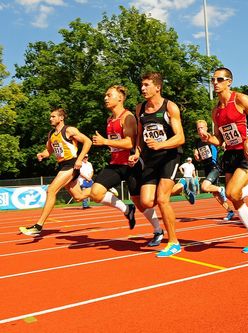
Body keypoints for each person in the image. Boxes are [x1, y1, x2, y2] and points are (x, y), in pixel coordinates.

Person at [199, 67, 248, 253]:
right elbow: (219, 139)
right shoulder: (216, 112)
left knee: (231, 192)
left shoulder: (240, 99)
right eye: (212, 80)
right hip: (230, 154)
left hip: (246, 152)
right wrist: (208, 139)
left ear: (229, 81)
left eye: (219, 79)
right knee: (235, 198)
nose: (215, 83)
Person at [90, 85, 164, 247]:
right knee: (95, 193)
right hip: (115, 164)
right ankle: (126, 210)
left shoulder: (128, 117)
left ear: (120, 98)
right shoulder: (110, 120)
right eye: (105, 95)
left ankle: (158, 230)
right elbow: (116, 144)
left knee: (142, 203)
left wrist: (105, 141)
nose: (105, 98)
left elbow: (130, 142)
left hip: (132, 165)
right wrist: (107, 143)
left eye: (109, 95)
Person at [129, 72, 184, 257]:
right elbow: (139, 136)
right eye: (142, 85)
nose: (142, 88)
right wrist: (136, 153)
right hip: (151, 158)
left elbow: (180, 138)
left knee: (162, 199)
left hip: (170, 156)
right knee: (146, 201)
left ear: (157, 87)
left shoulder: (170, 107)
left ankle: (173, 242)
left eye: (146, 85)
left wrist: (161, 144)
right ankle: (179, 186)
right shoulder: (140, 109)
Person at [19, 108, 92, 236]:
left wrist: (80, 160)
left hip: (72, 164)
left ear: (61, 118)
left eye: (53, 116)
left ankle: (38, 226)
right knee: (79, 197)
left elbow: (88, 141)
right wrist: (42, 154)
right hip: (63, 165)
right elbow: (49, 151)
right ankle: (103, 188)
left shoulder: (69, 130)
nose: (50, 119)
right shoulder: (51, 134)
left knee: (51, 190)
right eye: (50, 116)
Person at [192, 119, 235, 221]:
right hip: (206, 167)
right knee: (215, 195)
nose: (200, 130)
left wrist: (224, 144)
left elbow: (221, 142)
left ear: (206, 128)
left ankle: (221, 189)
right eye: (198, 128)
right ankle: (230, 211)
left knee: (204, 187)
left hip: (214, 167)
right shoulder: (198, 142)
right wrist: (196, 155)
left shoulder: (211, 138)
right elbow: (197, 153)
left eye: (201, 128)